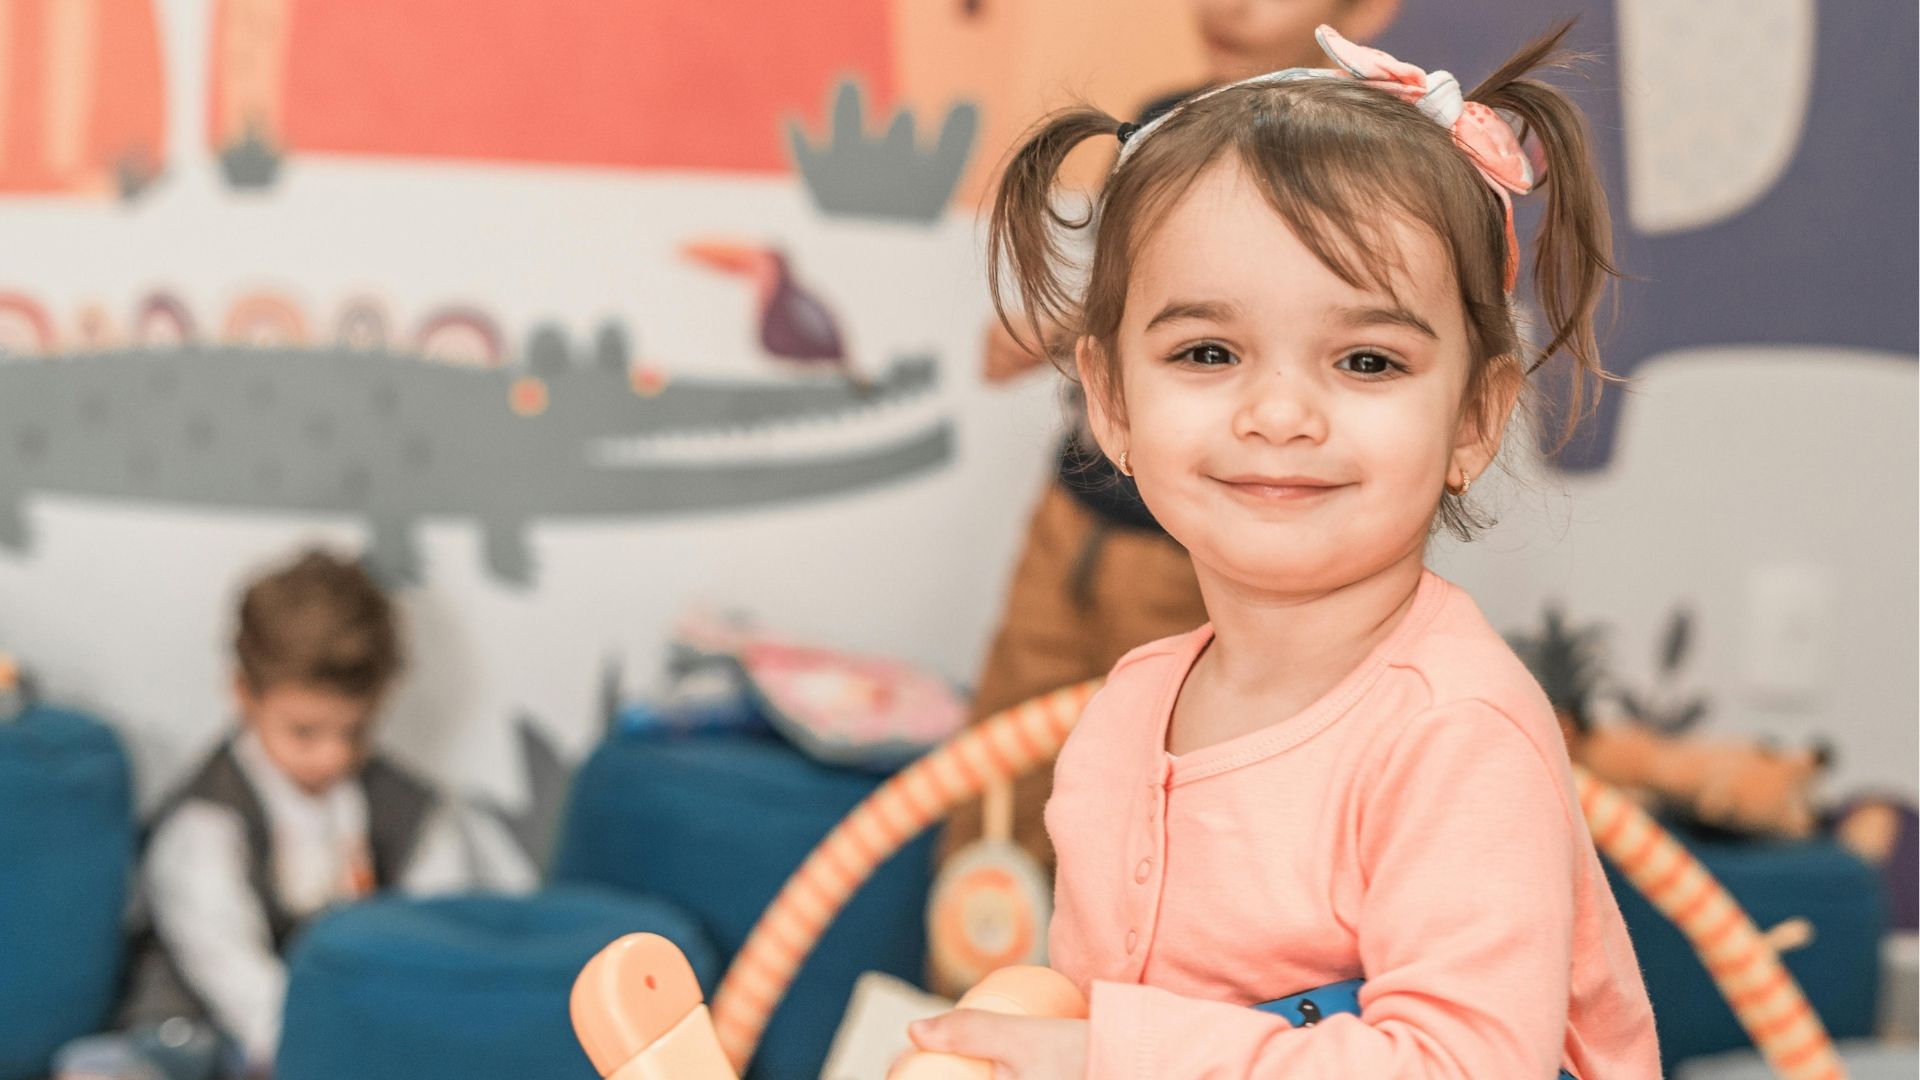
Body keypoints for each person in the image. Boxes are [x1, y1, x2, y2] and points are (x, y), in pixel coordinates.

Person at [906, 22, 1660, 1077]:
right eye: (1208, 352)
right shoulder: (1126, 715)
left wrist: (1098, 1052)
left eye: (1364, 359)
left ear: (1475, 421)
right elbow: (1114, 1014)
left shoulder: (1455, 735)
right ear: (1110, 401)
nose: (1279, 411)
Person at [948, 0, 1400, 875]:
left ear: (1366, 11)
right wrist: (1058, 328)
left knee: (1166, 810)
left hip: (1204, 547)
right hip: (1077, 505)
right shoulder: (1158, 123)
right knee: (998, 784)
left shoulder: (1363, 164)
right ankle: (971, 984)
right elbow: (1151, 307)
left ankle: (1124, 1008)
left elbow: (1273, 328)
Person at [114, 549, 477, 1076]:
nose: (333, 755)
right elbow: (235, 976)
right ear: (244, 695)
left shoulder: (410, 812)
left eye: (356, 731)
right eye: (305, 732)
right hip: (203, 1034)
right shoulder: (207, 820)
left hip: (356, 1034)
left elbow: (439, 936)